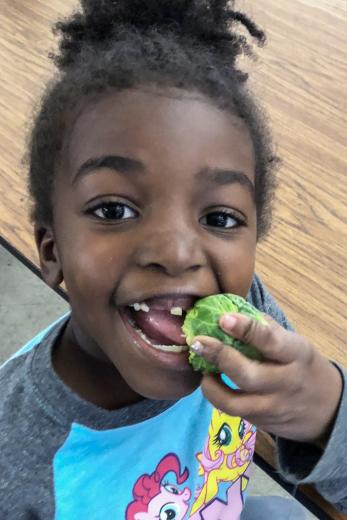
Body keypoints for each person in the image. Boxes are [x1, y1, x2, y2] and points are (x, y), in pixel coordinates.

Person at [0, 0, 345, 518]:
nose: (178, 253)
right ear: (53, 253)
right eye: (114, 209)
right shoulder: (17, 455)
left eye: (220, 218)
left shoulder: (245, 320)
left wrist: (327, 414)